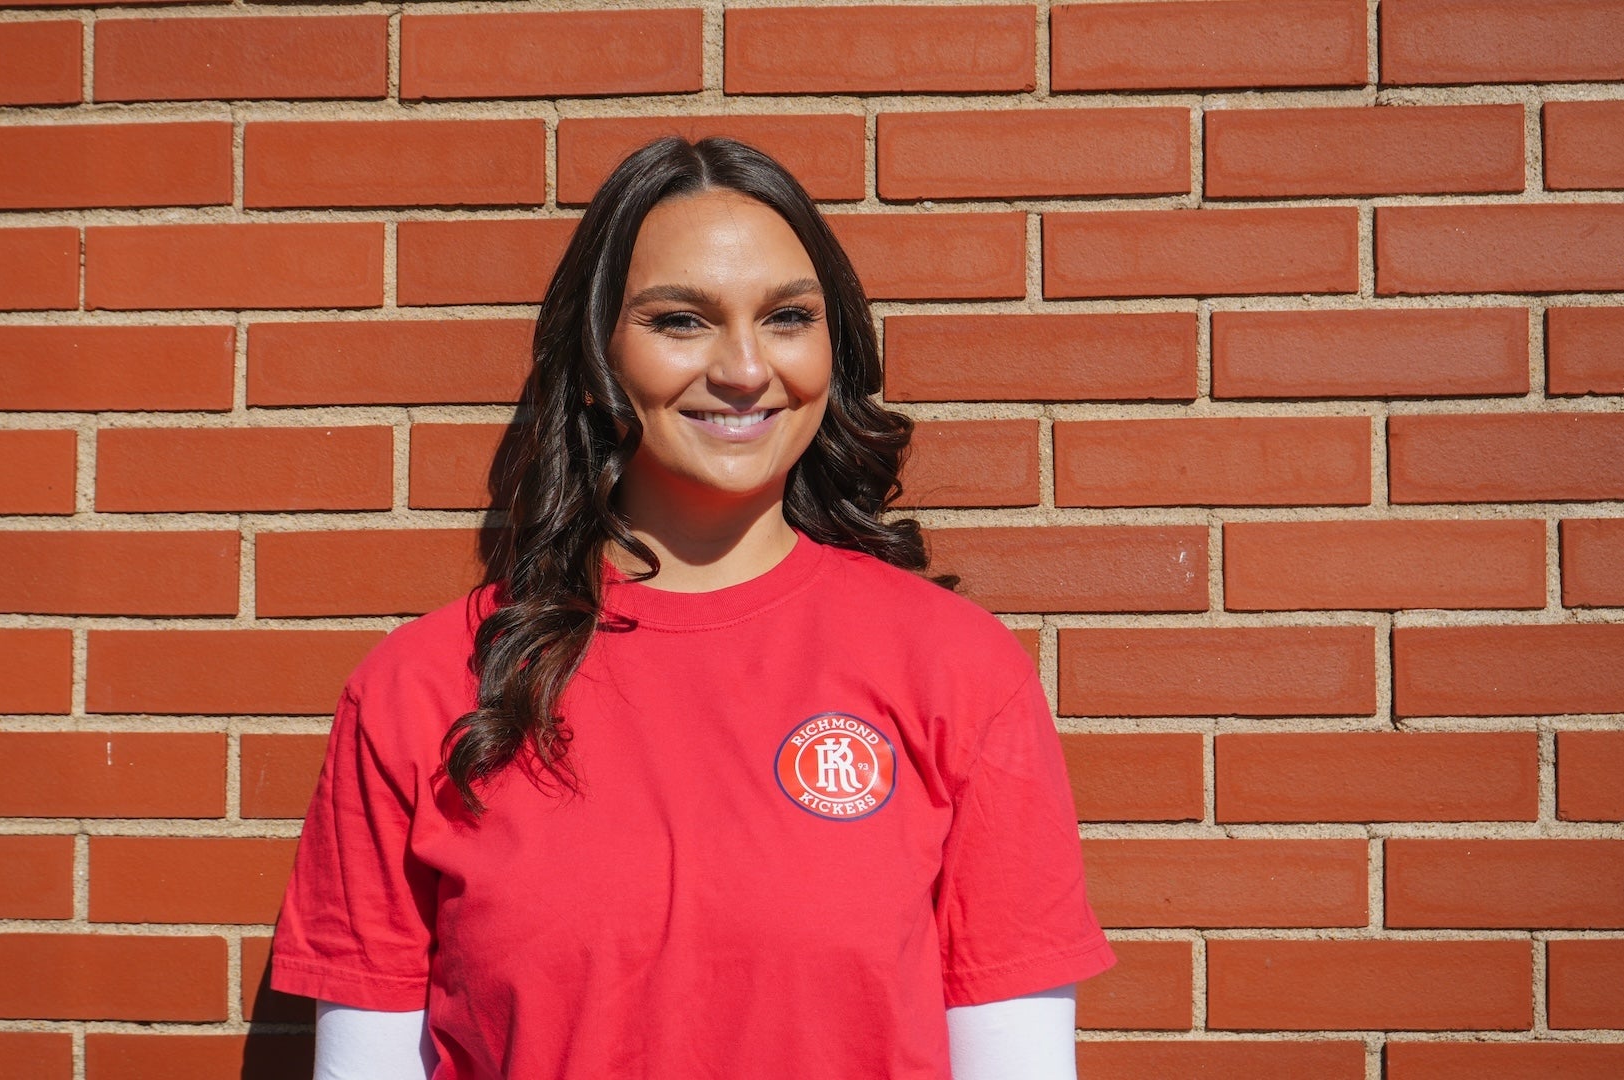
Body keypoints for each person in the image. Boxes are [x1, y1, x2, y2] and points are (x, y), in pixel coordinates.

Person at [267, 136, 1116, 1079]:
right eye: (682, 321)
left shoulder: (954, 667)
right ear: (595, 358)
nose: (746, 369)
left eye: (788, 317)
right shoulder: (420, 689)